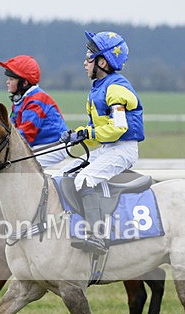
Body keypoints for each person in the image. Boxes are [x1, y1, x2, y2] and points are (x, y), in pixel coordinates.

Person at [59, 30, 145, 254]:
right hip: (109, 147)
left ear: (103, 62)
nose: (84, 62)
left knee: (85, 180)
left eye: (89, 57)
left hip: (123, 149)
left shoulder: (116, 88)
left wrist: (87, 134)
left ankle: (97, 235)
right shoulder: (99, 88)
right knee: (64, 174)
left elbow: (118, 128)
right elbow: (99, 127)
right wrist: (77, 133)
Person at [0, 55, 69, 169]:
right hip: (40, 143)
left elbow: (25, 135)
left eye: (11, 79)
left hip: (55, 146)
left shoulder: (36, 101)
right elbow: (10, 128)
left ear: (24, 83)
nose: (7, 82)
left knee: (22, 167)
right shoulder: (21, 99)